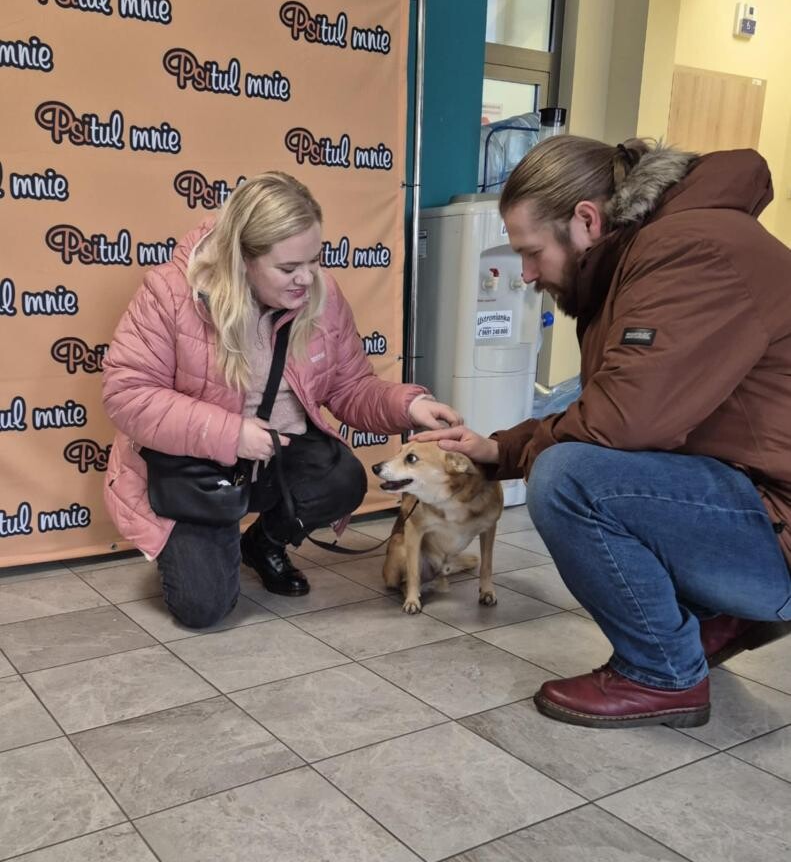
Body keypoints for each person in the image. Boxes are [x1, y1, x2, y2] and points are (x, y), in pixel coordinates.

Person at [414, 135, 791, 728]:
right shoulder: (655, 252)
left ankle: (661, 672)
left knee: (571, 479)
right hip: (761, 501)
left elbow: (623, 420)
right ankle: (721, 616)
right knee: (582, 464)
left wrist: (516, 454)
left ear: (587, 220)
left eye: (532, 252)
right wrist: (497, 450)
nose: (527, 275)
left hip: (778, 525)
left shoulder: (689, 252)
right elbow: (616, 404)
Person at [102, 171, 460, 628]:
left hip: (278, 452)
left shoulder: (323, 294)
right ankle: (206, 541)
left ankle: (262, 543)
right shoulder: (170, 292)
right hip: (197, 462)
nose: (307, 279)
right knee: (203, 609)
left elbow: (350, 387)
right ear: (242, 259)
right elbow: (128, 394)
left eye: (315, 260)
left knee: (341, 479)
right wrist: (231, 434)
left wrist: (408, 406)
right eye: (289, 269)